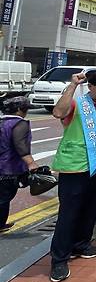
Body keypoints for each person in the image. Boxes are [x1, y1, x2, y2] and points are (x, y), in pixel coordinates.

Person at [49, 69, 96, 282]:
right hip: (75, 166)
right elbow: (58, 113)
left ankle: (81, 244)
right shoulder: (77, 102)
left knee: (91, 208)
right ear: (90, 86)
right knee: (68, 213)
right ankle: (59, 259)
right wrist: (72, 85)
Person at [0, 96, 39, 233]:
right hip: (8, 168)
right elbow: (20, 145)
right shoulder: (19, 124)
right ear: (18, 110)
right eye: (25, 109)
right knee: (4, 198)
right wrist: (31, 163)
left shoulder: (2, 122)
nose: (26, 112)